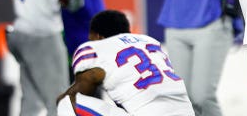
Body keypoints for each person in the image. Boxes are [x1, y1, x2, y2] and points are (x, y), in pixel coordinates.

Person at [56, 10, 195, 116]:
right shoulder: (149, 41)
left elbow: (84, 90)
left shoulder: (96, 48)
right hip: (186, 112)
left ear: (98, 36)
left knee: (66, 102)